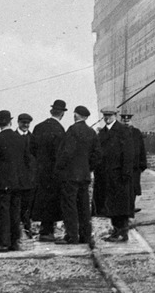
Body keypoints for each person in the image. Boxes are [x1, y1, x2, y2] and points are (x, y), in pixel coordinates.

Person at [0, 110, 29, 253]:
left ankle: (3, 243)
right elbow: (25, 161)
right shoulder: (20, 138)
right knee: (15, 212)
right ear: (10, 121)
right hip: (18, 182)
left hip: (3, 183)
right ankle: (15, 242)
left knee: (3, 213)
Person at [55, 105, 100, 247]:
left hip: (70, 176)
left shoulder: (72, 131)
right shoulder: (91, 132)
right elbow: (97, 155)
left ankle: (72, 236)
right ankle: (85, 236)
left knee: (70, 206)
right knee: (84, 207)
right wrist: (88, 168)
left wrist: (59, 167)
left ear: (75, 115)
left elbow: (66, 153)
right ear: (86, 117)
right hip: (84, 176)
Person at [101, 110, 145, 243]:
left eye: (109, 116)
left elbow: (129, 154)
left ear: (114, 116)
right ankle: (118, 231)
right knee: (116, 206)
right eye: (105, 116)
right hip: (110, 175)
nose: (107, 118)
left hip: (121, 175)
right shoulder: (104, 132)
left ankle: (121, 232)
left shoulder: (124, 131)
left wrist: (127, 174)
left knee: (121, 205)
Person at [31, 100, 68, 242]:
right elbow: (60, 153)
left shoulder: (38, 127)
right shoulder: (60, 130)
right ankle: (48, 231)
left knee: (42, 201)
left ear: (51, 111)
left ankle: (44, 230)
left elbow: (32, 149)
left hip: (40, 171)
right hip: (54, 172)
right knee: (52, 202)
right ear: (62, 114)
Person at [16, 113, 36, 239]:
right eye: (24, 123)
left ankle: (27, 228)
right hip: (17, 178)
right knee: (17, 206)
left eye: (28, 123)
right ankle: (18, 230)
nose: (26, 125)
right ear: (18, 123)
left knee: (27, 206)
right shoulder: (13, 137)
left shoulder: (32, 138)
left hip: (29, 179)